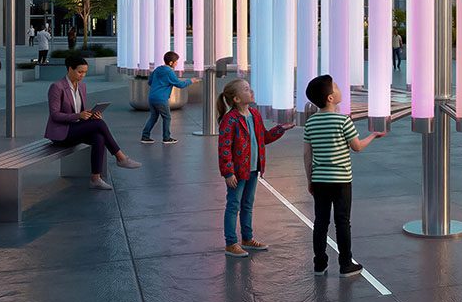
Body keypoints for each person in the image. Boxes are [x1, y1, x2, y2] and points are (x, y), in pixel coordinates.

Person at [304, 74, 385, 277]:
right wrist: (373, 135)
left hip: (320, 180)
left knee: (320, 222)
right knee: (342, 222)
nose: (340, 89)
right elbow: (356, 147)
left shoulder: (311, 122)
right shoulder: (343, 121)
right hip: (341, 180)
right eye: (337, 87)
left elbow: (307, 154)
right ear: (330, 98)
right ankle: (345, 264)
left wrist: (310, 179)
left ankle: (319, 264)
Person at [217, 79, 293, 258]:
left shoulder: (255, 115)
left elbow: (263, 138)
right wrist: (228, 172)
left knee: (248, 204)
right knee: (233, 205)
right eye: (245, 89)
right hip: (237, 173)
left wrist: (279, 129)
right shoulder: (230, 120)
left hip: (253, 169)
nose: (250, 90)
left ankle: (247, 238)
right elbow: (224, 148)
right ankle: (230, 243)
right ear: (236, 98)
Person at [44, 55, 141, 190]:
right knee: (99, 125)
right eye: (80, 72)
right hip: (62, 134)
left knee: (98, 137)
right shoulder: (57, 87)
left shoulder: (82, 87)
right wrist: (79, 115)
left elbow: (81, 111)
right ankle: (121, 157)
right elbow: (55, 115)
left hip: (76, 129)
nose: (82, 75)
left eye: (85, 72)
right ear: (70, 69)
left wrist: (91, 115)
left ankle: (95, 178)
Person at [141, 51, 200, 144]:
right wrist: (191, 81)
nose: (177, 63)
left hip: (152, 97)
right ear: (171, 62)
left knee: (153, 117)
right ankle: (166, 138)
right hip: (161, 99)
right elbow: (179, 84)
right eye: (176, 61)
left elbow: (150, 82)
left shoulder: (157, 69)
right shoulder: (169, 72)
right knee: (167, 117)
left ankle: (145, 136)